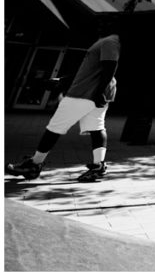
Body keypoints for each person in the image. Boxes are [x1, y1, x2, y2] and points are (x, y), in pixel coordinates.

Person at [6, 20, 122, 183]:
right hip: (94, 91)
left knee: (54, 127)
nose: (98, 25)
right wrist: (63, 79)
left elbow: (110, 67)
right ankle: (98, 166)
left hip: (85, 93)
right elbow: (89, 71)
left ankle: (34, 164)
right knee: (97, 127)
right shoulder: (108, 42)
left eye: (102, 23)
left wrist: (97, 92)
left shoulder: (109, 41)